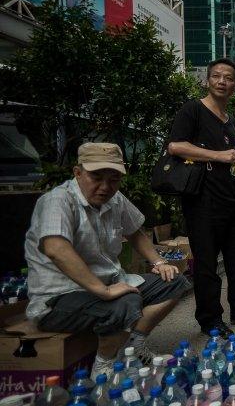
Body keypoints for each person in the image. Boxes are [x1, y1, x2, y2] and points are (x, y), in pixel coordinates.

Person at [25, 142, 192, 378]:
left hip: (110, 284)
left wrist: (159, 263)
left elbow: (134, 231)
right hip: (60, 298)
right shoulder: (58, 201)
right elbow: (55, 248)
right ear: (78, 172)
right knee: (125, 304)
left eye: (113, 179)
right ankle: (104, 369)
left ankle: (132, 348)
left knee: (175, 281)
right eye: (96, 177)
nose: (105, 186)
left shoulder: (115, 199)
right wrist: (103, 291)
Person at [168, 58, 235, 335]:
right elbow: (175, 146)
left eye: (228, 78)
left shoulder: (229, 119)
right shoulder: (193, 110)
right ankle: (210, 319)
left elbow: (230, 158)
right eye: (216, 76)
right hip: (203, 199)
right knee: (207, 263)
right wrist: (218, 155)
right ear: (207, 80)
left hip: (234, 197)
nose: (222, 81)